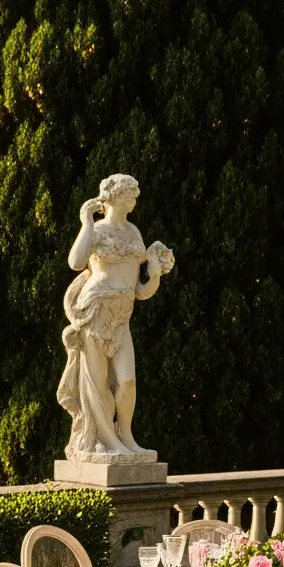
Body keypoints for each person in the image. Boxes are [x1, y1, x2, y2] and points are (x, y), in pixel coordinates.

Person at [56, 174, 174, 458]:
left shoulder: (134, 232)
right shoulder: (95, 231)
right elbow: (75, 262)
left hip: (122, 318)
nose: (134, 200)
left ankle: (127, 437)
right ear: (114, 197)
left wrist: (155, 274)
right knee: (96, 383)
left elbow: (140, 291)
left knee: (127, 381)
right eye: (130, 195)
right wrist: (85, 223)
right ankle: (109, 442)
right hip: (94, 312)